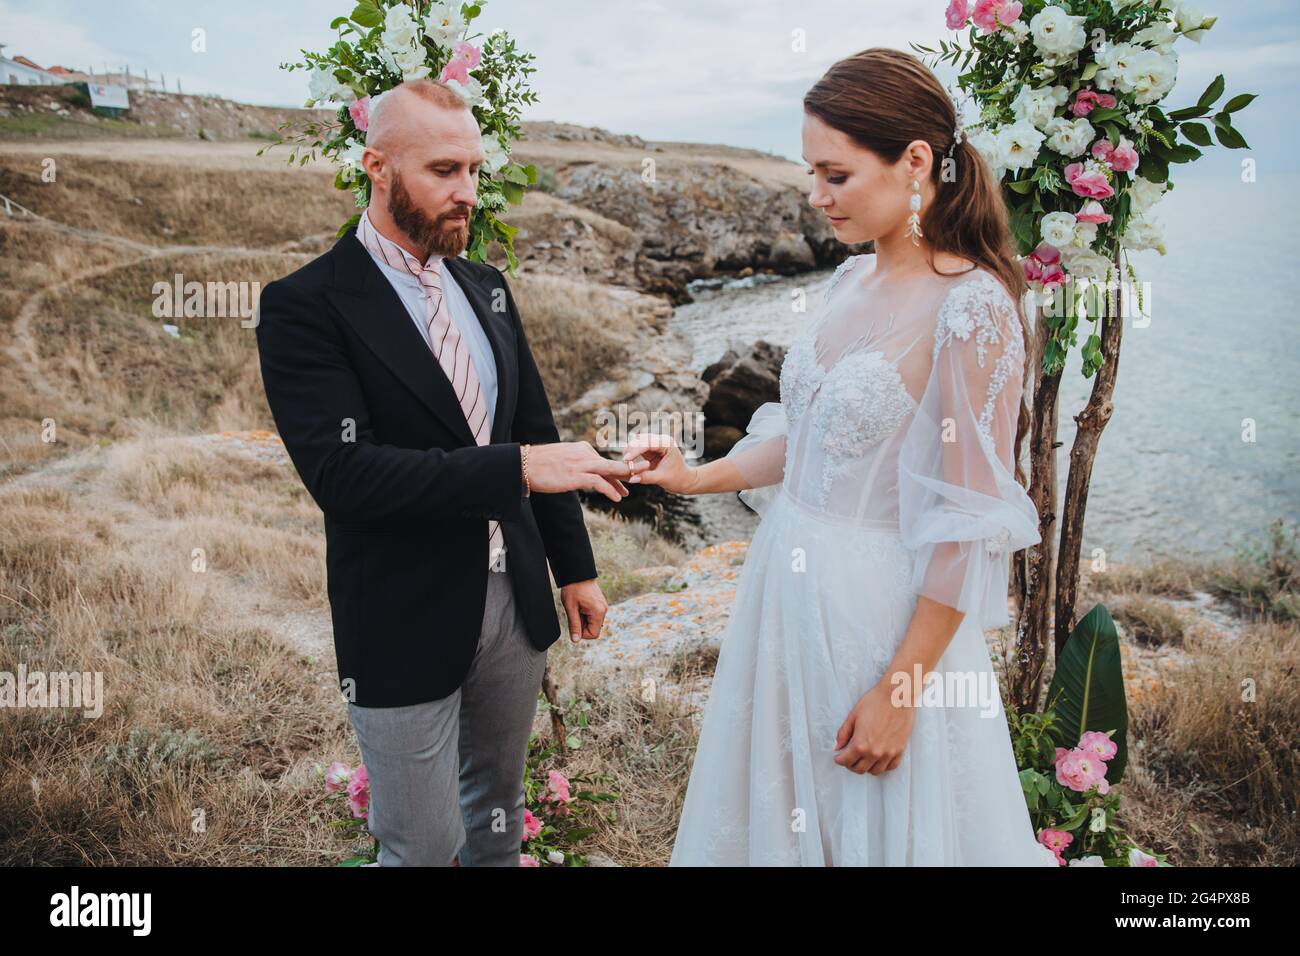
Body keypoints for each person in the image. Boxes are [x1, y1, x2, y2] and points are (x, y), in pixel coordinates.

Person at [624, 49, 1059, 866]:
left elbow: (966, 524)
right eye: (810, 174)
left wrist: (901, 691)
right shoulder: (846, 282)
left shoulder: (974, 309)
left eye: (836, 175)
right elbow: (808, 441)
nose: (816, 197)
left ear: (916, 162)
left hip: (878, 614)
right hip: (783, 596)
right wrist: (693, 476)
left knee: (875, 820)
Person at [255, 79, 648, 866]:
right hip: (402, 610)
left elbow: (533, 431)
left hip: (516, 603)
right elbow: (344, 474)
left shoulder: (487, 288)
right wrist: (518, 470)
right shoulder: (305, 306)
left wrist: (575, 569)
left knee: (496, 819)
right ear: (376, 166)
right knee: (423, 846)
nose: (467, 192)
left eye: (474, 170)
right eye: (443, 171)